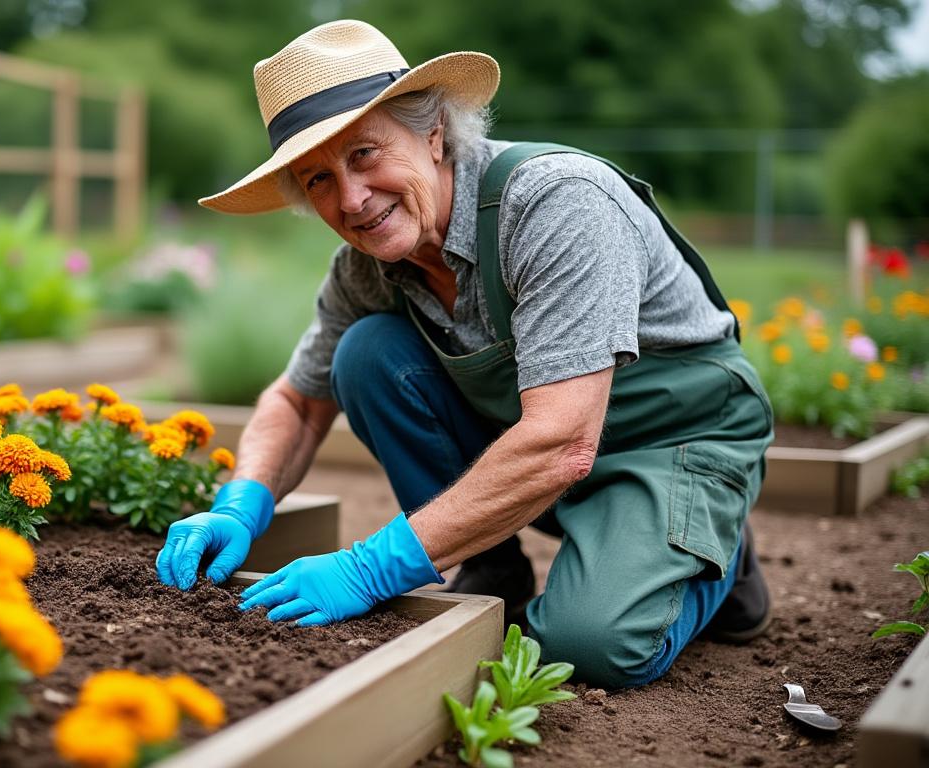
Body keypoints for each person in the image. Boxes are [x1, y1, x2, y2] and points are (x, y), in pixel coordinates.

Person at [153, 19, 774, 688]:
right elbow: (299, 403)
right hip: (550, 443)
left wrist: (372, 568)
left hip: (676, 440)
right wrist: (240, 504)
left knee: (591, 645)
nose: (352, 200)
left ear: (433, 131)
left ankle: (716, 547)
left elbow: (561, 441)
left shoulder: (555, 204)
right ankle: (494, 572)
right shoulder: (366, 267)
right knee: (366, 355)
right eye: (318, 180)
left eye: (364, 153)